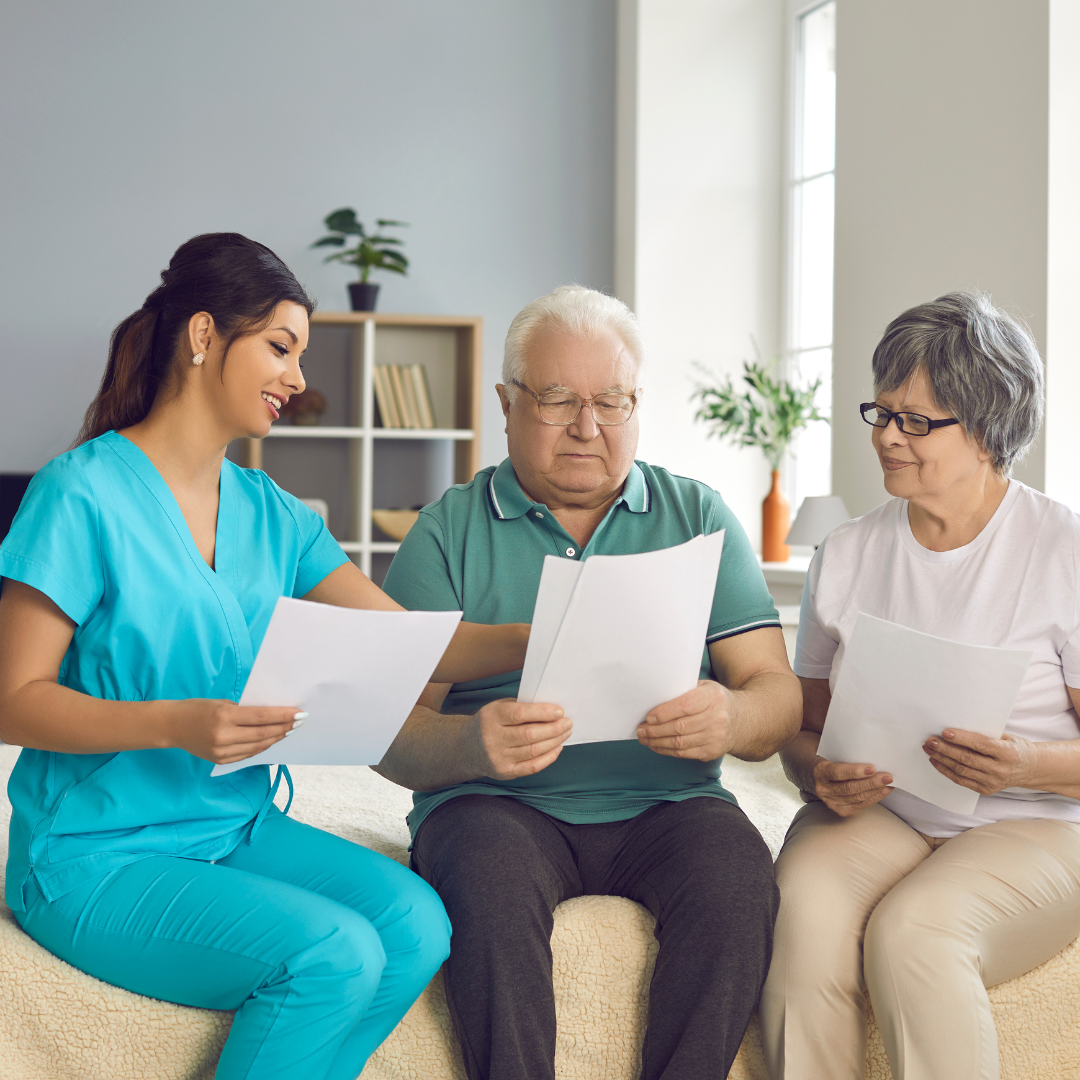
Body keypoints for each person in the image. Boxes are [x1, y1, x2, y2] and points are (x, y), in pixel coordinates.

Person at [0, 233, 531, 1080]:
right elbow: (11, 699)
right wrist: (177, 724)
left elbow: (407, 638)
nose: (296, 377)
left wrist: (545, 635)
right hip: (94, 855)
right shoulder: (80, 492)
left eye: (300, 355)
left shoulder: (274, 512)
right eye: (279, 348)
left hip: (233, 827)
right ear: (204, 336)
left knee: (417, 925)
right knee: (334, 954)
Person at [376, 285, 802, 1080]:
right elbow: (388, 732)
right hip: (494, 805)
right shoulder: (446, 532)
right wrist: (470, 743)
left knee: (740, 886)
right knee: (486, 891)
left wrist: (730, 719)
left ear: (638, 406)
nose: (587, 426)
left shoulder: (700, 516)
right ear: (507, 404)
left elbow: (775, 695)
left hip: (672, 804)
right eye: (557, 399)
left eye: (612, 401)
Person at [759, 291, 1080, 1080]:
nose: (887, 438)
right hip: (883, 815)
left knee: (914, 932)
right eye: (882, 413)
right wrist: (816, 774)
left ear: (988, 431)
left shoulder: (1062, 550)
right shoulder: (846, 553)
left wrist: (1026, 767)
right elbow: (803, 732)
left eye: (916, 421)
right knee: (799, 911)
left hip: (1034, 823)